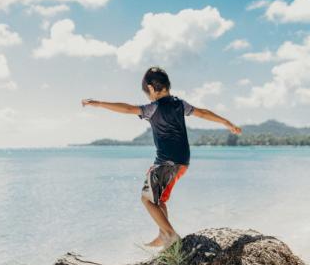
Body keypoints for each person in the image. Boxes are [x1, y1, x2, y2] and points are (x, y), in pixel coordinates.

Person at [81, 66, 242, 249]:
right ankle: (162, 235)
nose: (147, 97)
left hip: (166, 163)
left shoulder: (153, 108)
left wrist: (99, 103)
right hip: (182, 163)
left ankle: (170, 234)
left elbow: (127, 109)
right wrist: (227, 123)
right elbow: (203, 113)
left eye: (146, 92)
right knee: (159, 199)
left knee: (147, 199)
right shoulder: (180, 104)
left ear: (150, 88)